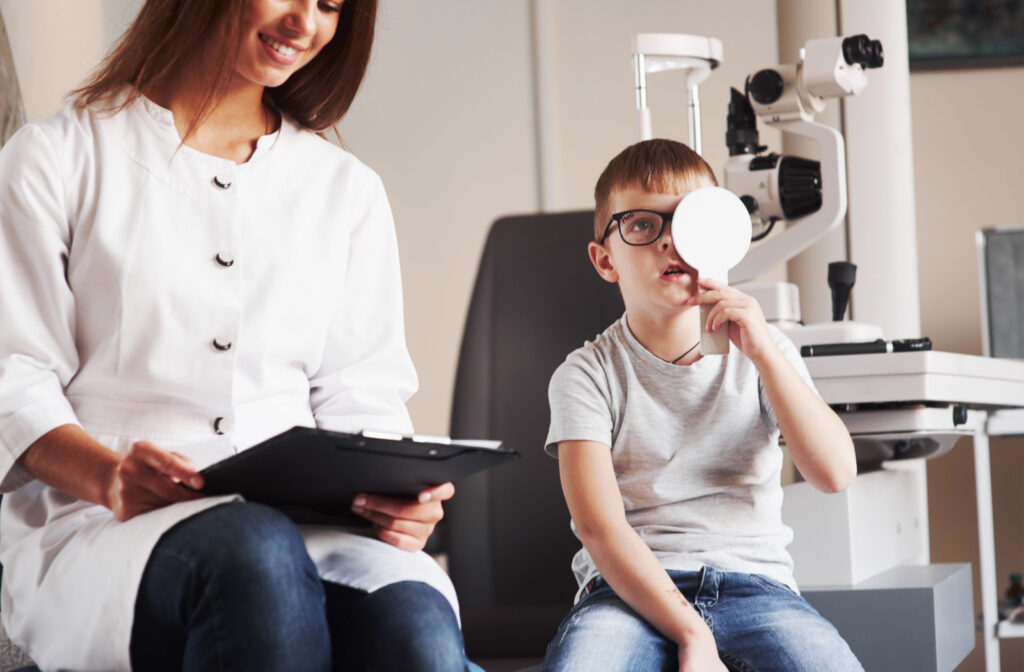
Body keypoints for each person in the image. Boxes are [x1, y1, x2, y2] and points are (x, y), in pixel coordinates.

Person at [0, 1, 472, 670]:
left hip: (315, 526)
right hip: (104, 527)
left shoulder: (344, 190)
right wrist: (110, 478)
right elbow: (13, 377)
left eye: (331, 5)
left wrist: (400, 498)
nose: (305, 23)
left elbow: (360, 392)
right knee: (256, 556)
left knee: (413, 622)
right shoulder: (55, 157)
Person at [540, 139, 863, 672]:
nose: (672, 241)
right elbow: (599, 529)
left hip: (757, 587)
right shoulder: (586, 375)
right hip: (626, 593)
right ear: (605, 260)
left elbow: (834, 473)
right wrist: (693, 634)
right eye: (643, 225)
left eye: (690, 222)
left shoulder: (766, 351)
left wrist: (764, 351)